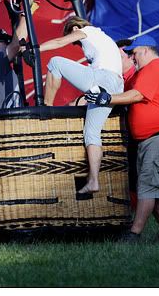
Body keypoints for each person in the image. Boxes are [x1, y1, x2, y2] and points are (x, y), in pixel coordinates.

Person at [85, 34, 159, 241]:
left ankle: (134, 234)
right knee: (153, 189)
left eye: (133, 53)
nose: (132, 58)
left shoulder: (154, 68)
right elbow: (126, 87)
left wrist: (107, 99)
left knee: (148, 187)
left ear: (144, 50)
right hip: (154, 138)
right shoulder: (141, 74)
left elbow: (136, 95)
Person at [41, 16, 123, 194]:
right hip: (116, 85)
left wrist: (34, 48)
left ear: (75, 27)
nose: (78, 45)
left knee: (55, 62)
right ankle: (93, 180)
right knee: (92, 133)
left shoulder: (86, 31)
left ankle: (46, 107)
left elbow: (59, 42)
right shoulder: (104, 40)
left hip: (104, 78)